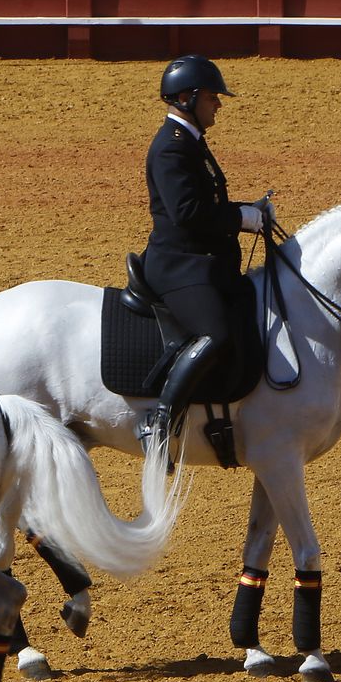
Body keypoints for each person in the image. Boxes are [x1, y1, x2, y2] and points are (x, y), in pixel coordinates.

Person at [137, 55, 271, 452]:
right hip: (178, 266)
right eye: (212, 97)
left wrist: (252, 211)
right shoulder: (171, 148)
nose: (218, 104)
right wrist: (241, 217)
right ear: (186, 98)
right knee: (217, 333)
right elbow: (188, 213)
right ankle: (160, 422)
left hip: (200, 262)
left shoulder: (190, 142)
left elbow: (205, 202)